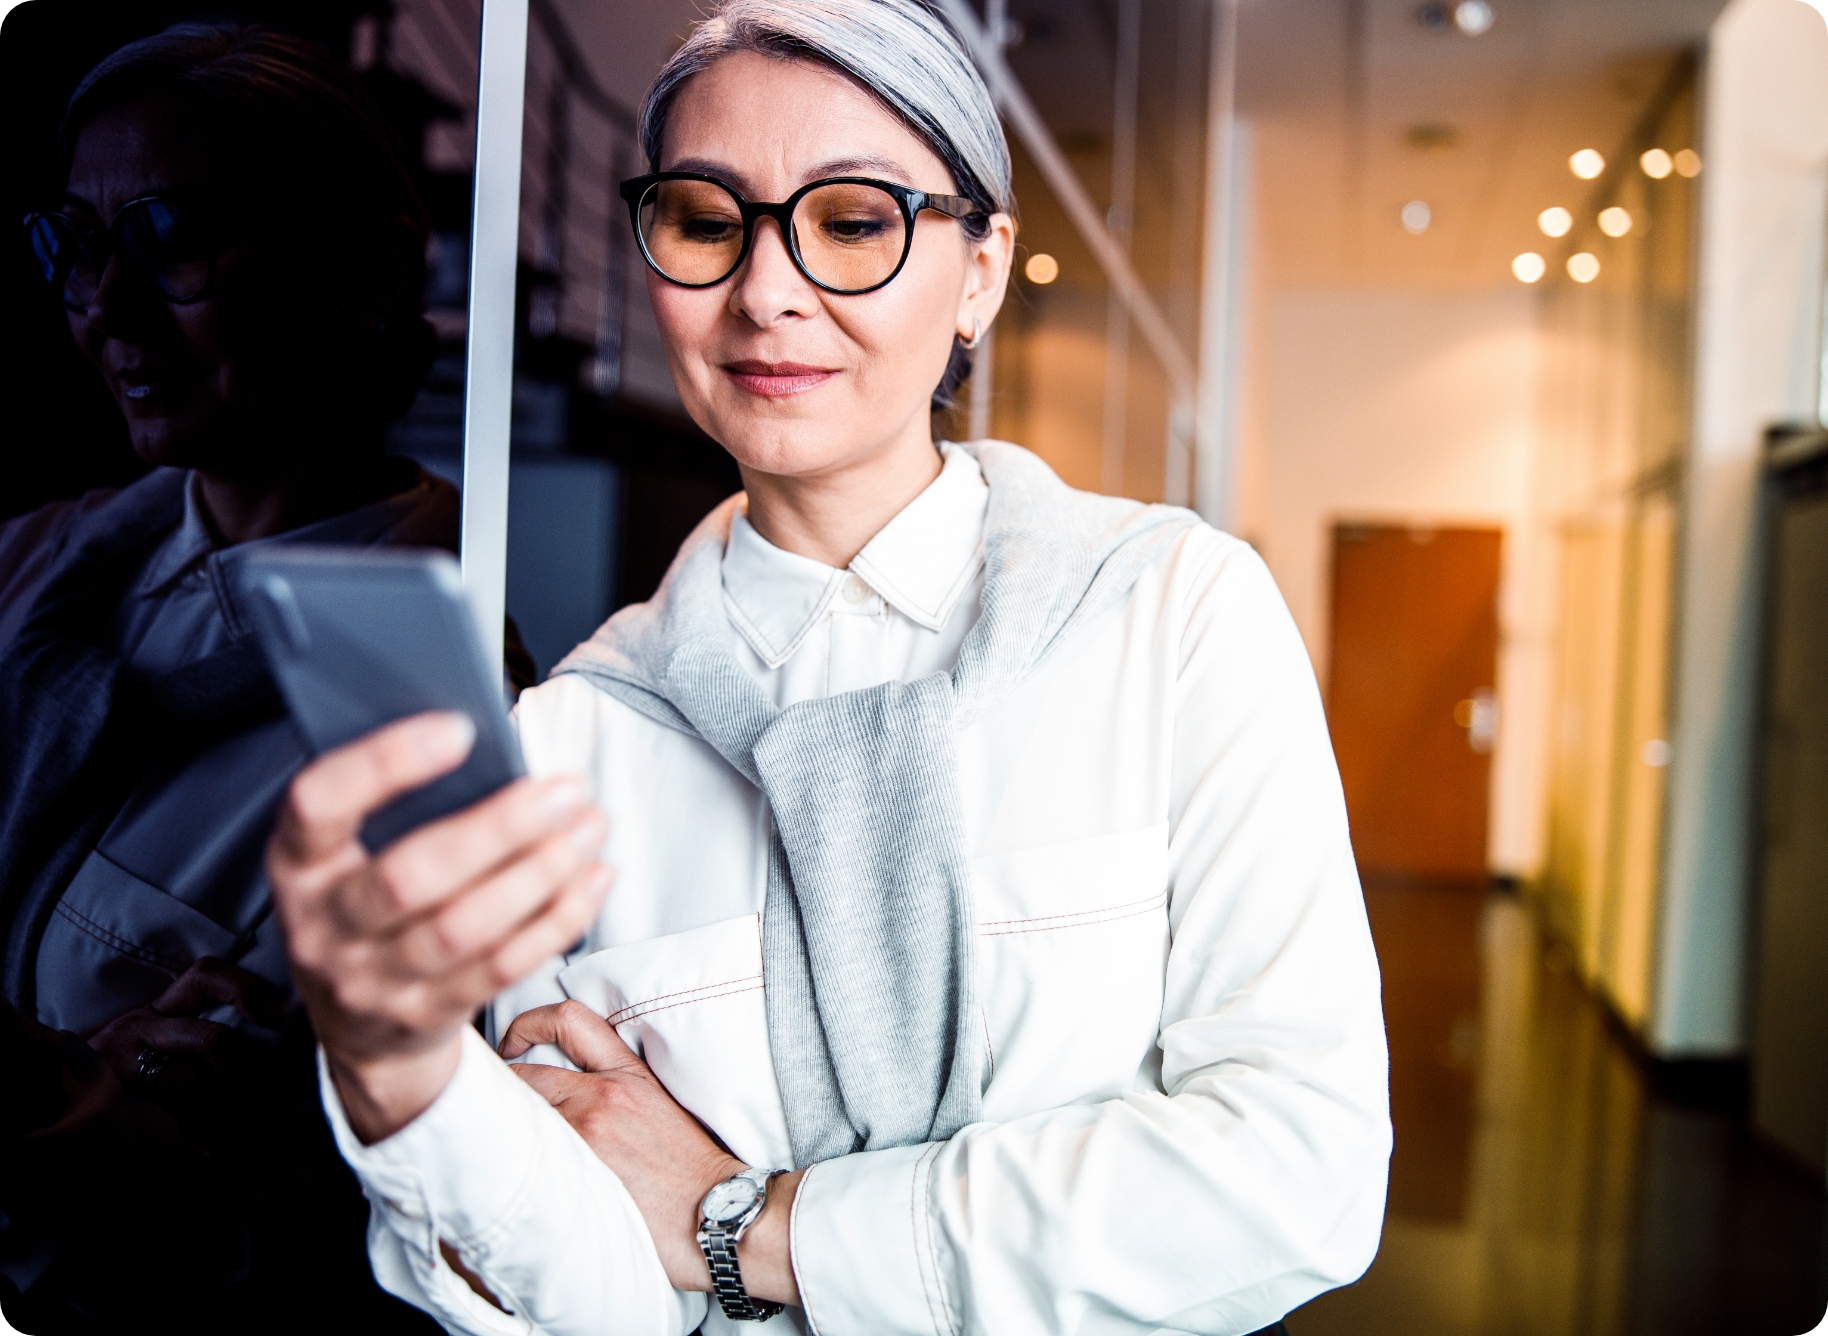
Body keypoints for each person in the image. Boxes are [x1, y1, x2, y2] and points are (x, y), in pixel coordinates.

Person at [268, 2, 1393, 1333]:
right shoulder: (576, 738)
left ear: (982, 272)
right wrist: (402, 1080)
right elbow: (588, 1304)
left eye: (854, 222)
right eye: (705, 220)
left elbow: (1294, 1178)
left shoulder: (1171, 616)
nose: (768, 292)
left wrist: (745, 1222)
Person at [0, 24, 466, 1334]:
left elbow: (241, 1212)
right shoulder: (35, 563)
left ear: (369, 272)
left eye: (169, 236)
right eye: (79, 247)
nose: (107, 306)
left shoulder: (426, 713)